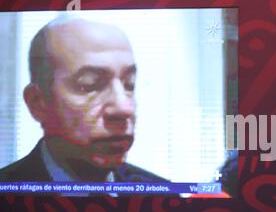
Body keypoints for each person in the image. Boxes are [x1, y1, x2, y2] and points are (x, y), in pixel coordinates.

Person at [0, 17, 166, 184]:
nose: (124, 108)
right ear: (38, 102)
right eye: (90, 84)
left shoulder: (161, 194)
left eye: (129, 85)